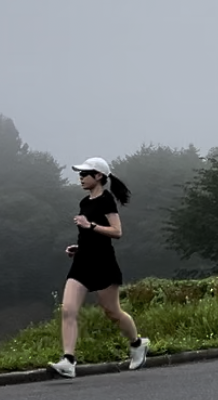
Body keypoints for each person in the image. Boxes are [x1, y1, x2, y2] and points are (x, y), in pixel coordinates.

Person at [48, 157, 149, 378]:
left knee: (112, 311)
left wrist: (90, 225)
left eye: (85, 174)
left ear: (99, 176)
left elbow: (116, 232)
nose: (81, 178)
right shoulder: (85, 202)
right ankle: (68, 360)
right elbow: (89, 234)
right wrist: (78, 247)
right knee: (68, 310)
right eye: (80, 174)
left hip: (103, 263)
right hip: (82, 262)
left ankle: (137, 343)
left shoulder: (107, 200)